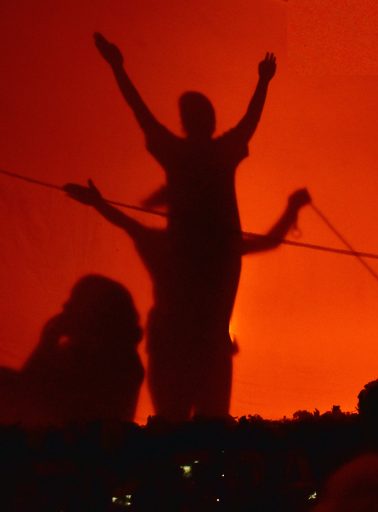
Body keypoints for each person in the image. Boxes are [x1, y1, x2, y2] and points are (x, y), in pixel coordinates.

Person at [94, 32, 278, 418]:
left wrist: (117, 68)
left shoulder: (184, 152)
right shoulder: (213, 151)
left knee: (205, 332)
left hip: (202, 261)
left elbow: (140, 111)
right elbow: (249, 120)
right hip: (211, 260)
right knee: (207, 334)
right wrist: (262, 82)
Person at [64, 180, 311, 420]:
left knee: (179, 422)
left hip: (180, 347)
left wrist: (98, 203)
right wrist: (292, 208)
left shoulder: (170, 243)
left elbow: (128, 224)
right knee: (203, 424)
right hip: (198, 348)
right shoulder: (216, 246)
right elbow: (269, 242)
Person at [0, 275, 143, 425]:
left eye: (75, 301)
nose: (65, 306)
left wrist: (48, 342)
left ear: (96, 313)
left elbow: (33, 395)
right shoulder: (78, 351)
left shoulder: (117, 364)